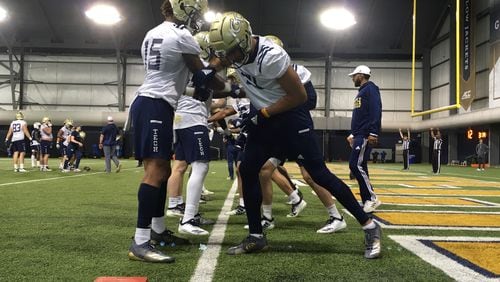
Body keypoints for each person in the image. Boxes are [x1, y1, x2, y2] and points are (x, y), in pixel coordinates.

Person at [209, 12, 381, 259]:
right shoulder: (237, 50)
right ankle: (256, 236)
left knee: (319, 175)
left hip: (290, 118)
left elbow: (299, 97)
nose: (229, 58)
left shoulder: (271, 56)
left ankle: (369, 226)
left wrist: (265, 112)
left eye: (231, 52)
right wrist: (207, 70)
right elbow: (224, 61)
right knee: (247, 170)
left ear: (245, 41)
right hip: (266, 119)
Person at [127, 0, 229, 263]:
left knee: (162, 170)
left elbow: (182, 80)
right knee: (155, 172)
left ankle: (159, 231)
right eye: (195, 11)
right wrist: (219, 62)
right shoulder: (183, 36)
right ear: (183, 9)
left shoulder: (153, 33)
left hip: (152, 103)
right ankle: (140, 241)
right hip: (155, 106)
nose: (197, 18)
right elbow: (205, 78)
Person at [347, 65, 382, 213]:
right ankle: (367, 200)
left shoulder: (370, 89)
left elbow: (376, 110)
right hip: (359, 134)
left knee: (355, 165)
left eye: (354, 76)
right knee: (361, 166)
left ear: (361, 75)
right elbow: (360, 116)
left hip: (365, 134)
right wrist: (353, 134)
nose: (353, 78)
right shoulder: (362, 92)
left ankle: (372, 199)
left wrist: (373, 132)